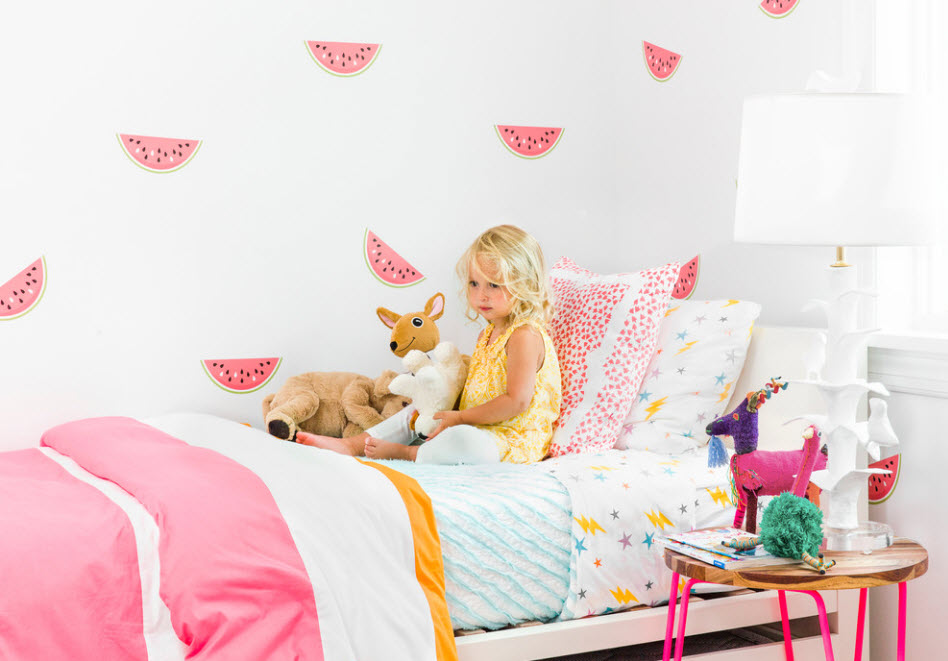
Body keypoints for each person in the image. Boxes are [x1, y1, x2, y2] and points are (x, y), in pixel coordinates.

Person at [297, 224, 561, 464]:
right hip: (476, 424)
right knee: (423, 406)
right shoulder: (489, 333)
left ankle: (411, 453)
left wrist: (459, 419)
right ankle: (352, 445)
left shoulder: (524, 336)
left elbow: (516, 402)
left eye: (493, 284)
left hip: (510, 438)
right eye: (474, 283)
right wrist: (446, 409)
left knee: (466, 443)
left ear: (525, 284)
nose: (481, 294)